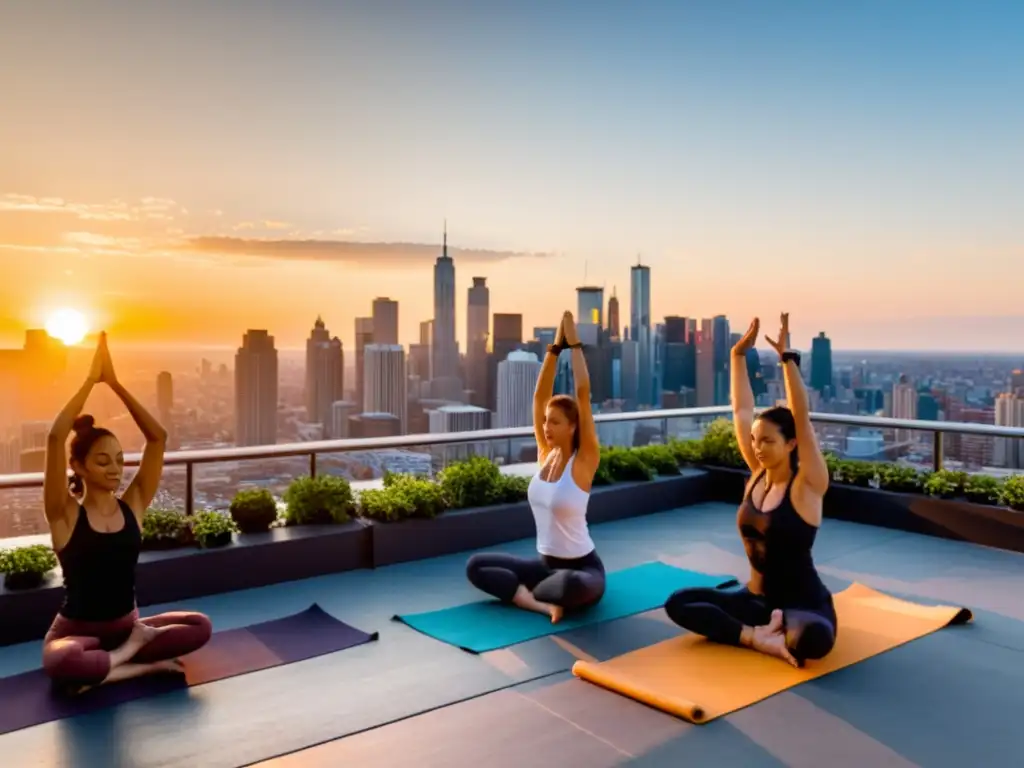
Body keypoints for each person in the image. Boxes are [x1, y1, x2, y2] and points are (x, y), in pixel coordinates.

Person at [41, 332, 212, 692]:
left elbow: (157, 438)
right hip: (76, 635)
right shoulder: (64, 515)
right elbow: (56, 438)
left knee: (200, 626)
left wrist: (115, 383)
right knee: (63, 660)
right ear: (79, 466)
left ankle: (106, 667)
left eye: (119, 460)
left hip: (126, 625)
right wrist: (90, 380)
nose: (116, 469)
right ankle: (137, 664)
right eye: (103, 461)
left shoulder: (133, 504)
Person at [663, 313, 836, 667]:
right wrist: (737, 356)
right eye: (755, 440)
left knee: (811, 640)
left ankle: (780, 629)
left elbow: (802, 419)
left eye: (768, 441)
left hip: (802, 603)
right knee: (678, 603)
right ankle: (755, 638)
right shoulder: (757, 474)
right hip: (755, 600)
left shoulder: (807, 486)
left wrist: (787, 359)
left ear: (791, 445)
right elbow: (742, 409)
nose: (757, 447)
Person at [466, 311, 606, 623]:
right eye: (545, 421)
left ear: (573, 426)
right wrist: (554, 349)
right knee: (476, 566)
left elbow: (583, 394)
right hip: (545, 565)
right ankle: (538, 603)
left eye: (554, 422)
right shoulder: (546, 455)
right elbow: (539, 396)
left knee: (568, 584)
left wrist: (575, 345)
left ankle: (529, 594)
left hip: (582, 569)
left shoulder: (584, 461)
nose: (546, 427)